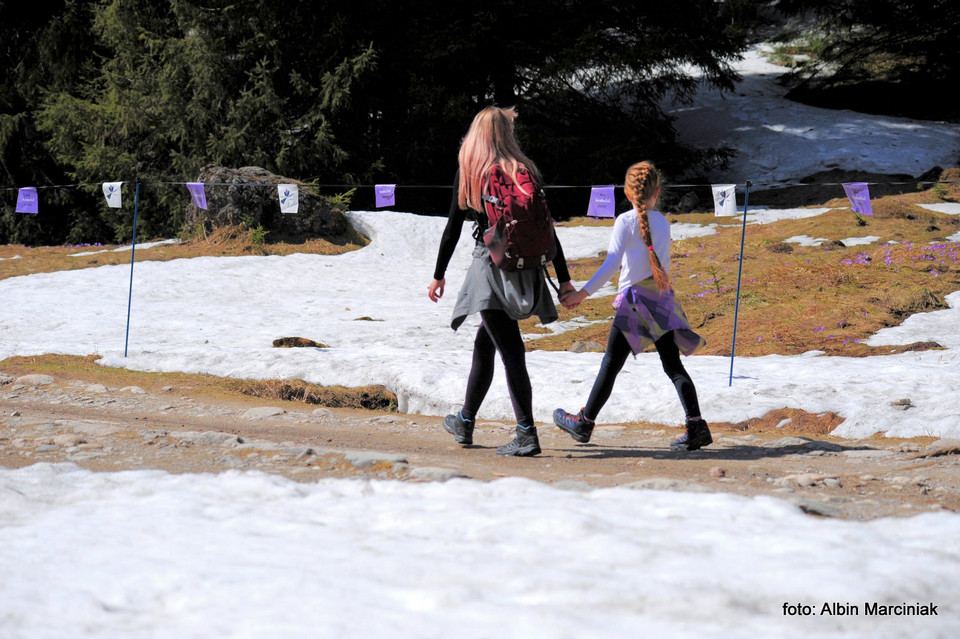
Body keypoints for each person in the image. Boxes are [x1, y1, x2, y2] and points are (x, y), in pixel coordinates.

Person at [428, 106, 575, 457]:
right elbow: (548, 231)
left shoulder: (472, 172)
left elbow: (452, 229)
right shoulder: (524, 171)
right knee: (487, 342)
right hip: (524, 267)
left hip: (489, 268)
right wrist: (565, 280)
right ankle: (465, 420)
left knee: (511, 350)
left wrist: (438, 275)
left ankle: (526, 433)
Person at [554, 161, 712, 451]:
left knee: (611, 364)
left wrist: (582, 294)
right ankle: (696, 425)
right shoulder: (663, 222)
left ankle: (584, 422)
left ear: (628, 194)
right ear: (657, 192)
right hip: (661, 297)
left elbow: (612, 263)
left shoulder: (625, 222)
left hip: (636, 301)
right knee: (673, 366)